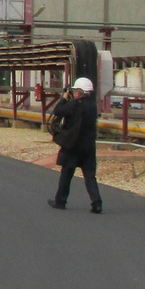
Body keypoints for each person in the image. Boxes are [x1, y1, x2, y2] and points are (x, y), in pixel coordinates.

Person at [48, 76, 102, 213]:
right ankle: (97, 202)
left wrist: (65, 98)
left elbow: (58, 111)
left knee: (66, 173)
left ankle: (60, 201)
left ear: (78, 91)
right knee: (90, 175)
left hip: (73, 145)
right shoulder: (93, 106)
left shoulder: (75, 104)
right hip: (88, 145)